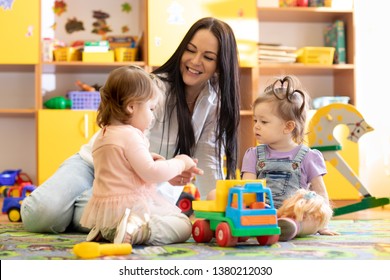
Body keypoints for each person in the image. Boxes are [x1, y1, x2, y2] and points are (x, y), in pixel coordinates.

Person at [21, 17, 241, 234]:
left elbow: (207, 160)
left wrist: (221, 208)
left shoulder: (215, 103)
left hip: (141, 184)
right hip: (96, 164)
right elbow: (125, 140)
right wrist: (164, 168)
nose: (194, 61)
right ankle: (72, 206)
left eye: (208, 57)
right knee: (41, 214)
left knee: (116, 219)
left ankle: (77, 209)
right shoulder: (154, 88)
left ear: (220, 65)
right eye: (190, 50)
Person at [79, 65, 197, 244]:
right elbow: (152, 173)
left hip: (107, 215)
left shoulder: (103, 136)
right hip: (131, 209)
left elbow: (121, 168)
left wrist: (148, 156)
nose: (152, 116)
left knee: (166, 218)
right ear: (131, 107)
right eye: (150, 109)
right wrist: (181, 161)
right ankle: (141, 231)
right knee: (183, 224)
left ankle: (107, 230)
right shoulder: (131, 135)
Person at [239, 75, 338, 241]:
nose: (256, 126)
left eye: (264, 121)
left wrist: (323, 224)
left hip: (295, 215)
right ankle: (267, 224)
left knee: (311, 218)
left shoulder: (308, 156)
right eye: (255, 120)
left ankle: (291, 227)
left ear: (288, 126)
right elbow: (246, 190)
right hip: (262, 211)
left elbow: (320, 192)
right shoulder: (253, 154)